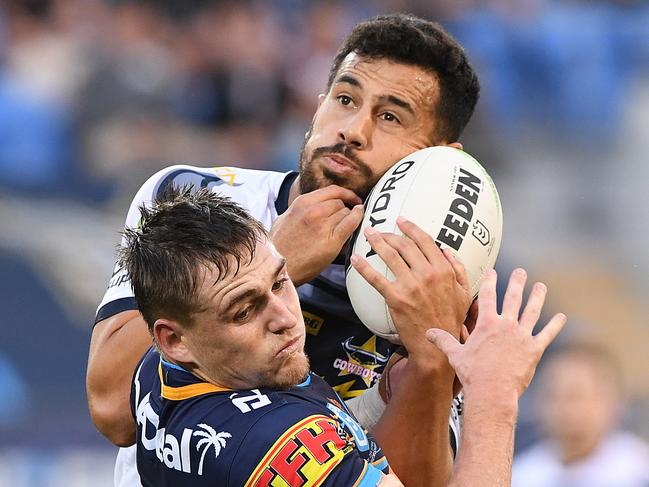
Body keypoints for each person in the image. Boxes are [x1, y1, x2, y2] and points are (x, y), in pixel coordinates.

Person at [88, 13, 482, 486]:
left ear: (441, 159)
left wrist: (428, 370)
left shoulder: (433, 290)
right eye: (344, 99)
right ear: (316, 108)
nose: (353, 130)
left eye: (390, 116)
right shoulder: (192, 197)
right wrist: (276, 261)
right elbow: (114, 410)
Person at [122, 186, 564, 486]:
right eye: (244, 310)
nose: (284, 317)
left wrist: (387, 396)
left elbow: (333, 437)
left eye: (280, 282)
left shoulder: (158, 371)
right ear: (174, 338)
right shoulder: (278, 445)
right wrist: (494, 394)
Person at [512, 344, 649, 487]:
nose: (564, 408)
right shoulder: (522, 474)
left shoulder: (638, 473)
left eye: (575, 396)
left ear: (614, 401)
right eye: (553, 395)